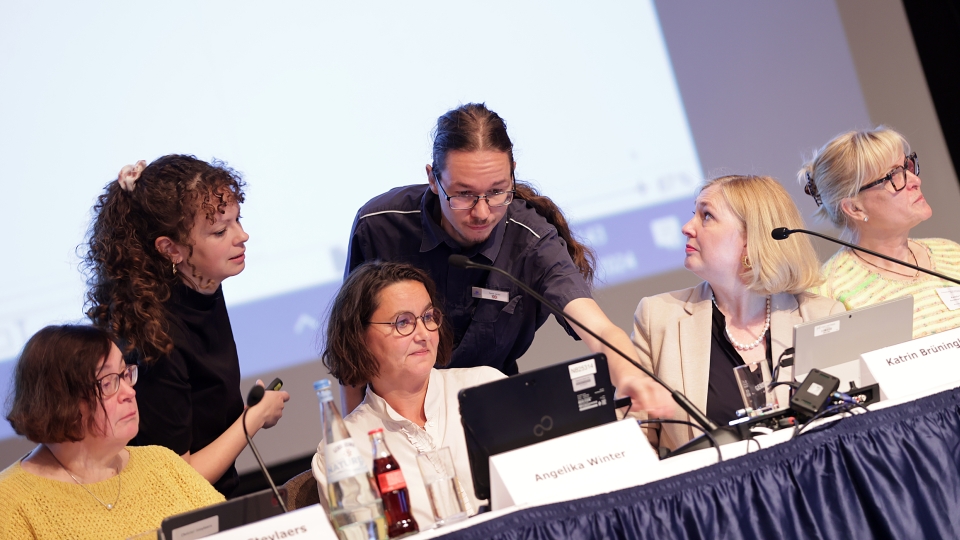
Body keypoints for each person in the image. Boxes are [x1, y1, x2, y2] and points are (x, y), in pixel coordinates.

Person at [343, 102, 671, 417]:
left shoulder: (531, 241)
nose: (482, 212)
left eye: (498, 191)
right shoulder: (381, 224)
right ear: (433, 179)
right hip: (394, 416)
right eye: (463, 195)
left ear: (512, 173)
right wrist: (354, 433)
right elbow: (351, 348)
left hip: (491, 412)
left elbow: (597, 327)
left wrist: (633, 376)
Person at [84, 155, 289, 496]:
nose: (243, 236)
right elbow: (180, 479)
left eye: (238, 220)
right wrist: (253, 418)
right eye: (220, 231)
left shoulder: (202, 284)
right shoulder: (156, 337)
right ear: (170, 249)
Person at [631, 175, 845, 452]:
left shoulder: (821, 316)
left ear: (750, 238)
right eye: (693, 214)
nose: (686, 228)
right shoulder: (658, 318)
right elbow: (634, 439)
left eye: (706, 216)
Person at [311, 261, 505, 525]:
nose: (423, 333)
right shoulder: (345, 450)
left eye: (428, 317)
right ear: (359, 336)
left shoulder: (486, 387)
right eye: (403, 322)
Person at [0, 325, 225, 539]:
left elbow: (234, 530)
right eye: (108, 382)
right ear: (61, 402)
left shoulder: (162, 463)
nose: (129, 392)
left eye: (125, 373)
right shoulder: (10, 501)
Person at [800, 127, 960, 338]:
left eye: (908, 166)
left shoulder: (950, 253)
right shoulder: (828, 293)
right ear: (855, 208)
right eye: (894, 175)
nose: (915, 181)